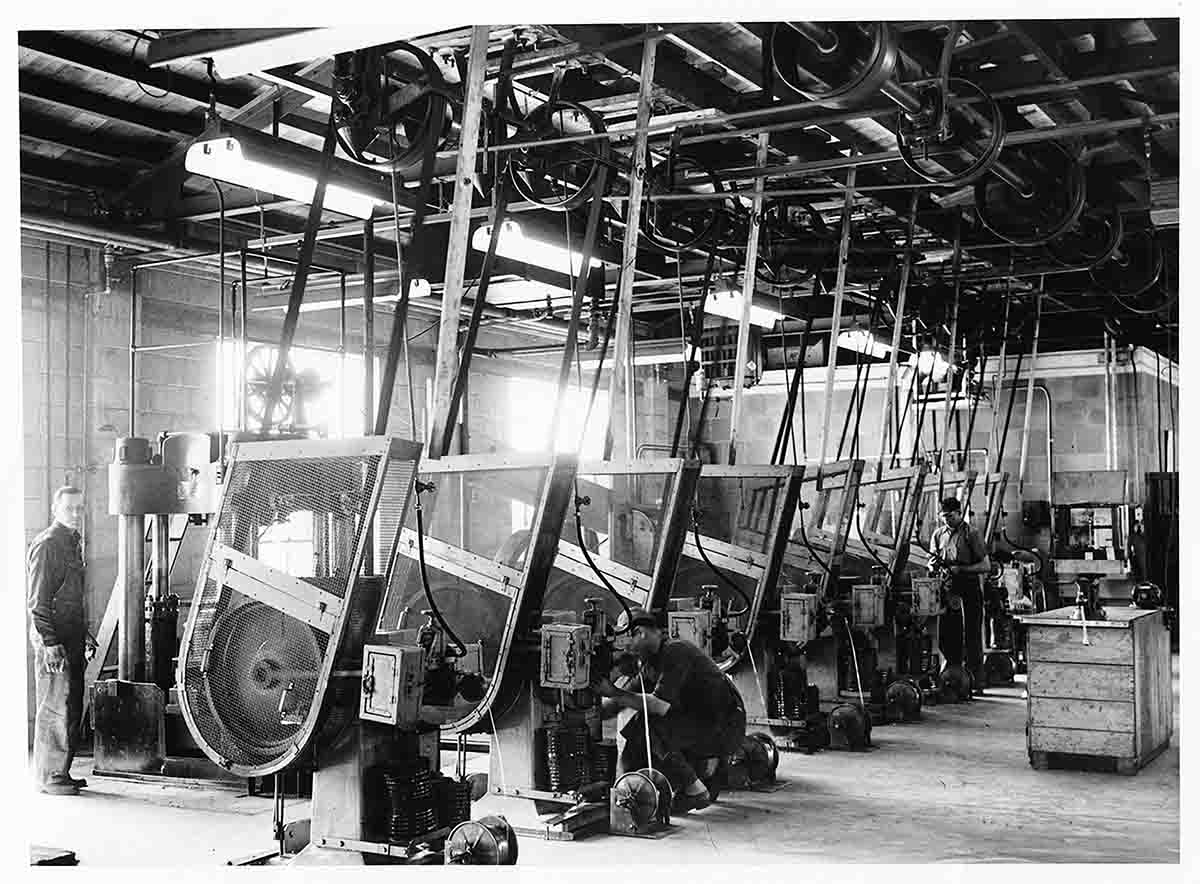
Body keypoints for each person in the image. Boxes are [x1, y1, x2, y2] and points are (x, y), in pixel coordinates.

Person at [593, 607, 746, 813]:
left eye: (626, 640)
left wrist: (612, 691)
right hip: (707, 726)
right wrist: (588, 713)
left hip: (725, 729)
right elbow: (622, 700)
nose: (625, 648)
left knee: (647, 722)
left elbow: (658, 705)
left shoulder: (675, 651)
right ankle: (631, 794)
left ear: (640, 633)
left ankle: (694, 789)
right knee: (640, 734)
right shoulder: (651, 663)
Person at [28, 486, 96, 796]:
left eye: (80, 508)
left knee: (70, 703)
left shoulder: (72, 543)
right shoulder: (48, 545)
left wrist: (86, 635)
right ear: (56, 509)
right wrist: (50, 642)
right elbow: (38, 602)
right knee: (55, 705)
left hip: (72, 635)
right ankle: (50, 776)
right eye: (70, 508)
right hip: (54, 639)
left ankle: (61, 771)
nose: (76, 513)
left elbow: (72, 598)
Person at [930, 497, 991, 694]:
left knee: (971, 635)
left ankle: (975, 682)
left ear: (959, 512)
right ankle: (953, 680)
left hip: (969, 589)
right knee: (948, 636)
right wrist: (932, 566)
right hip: (947, 590)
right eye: (943, 516)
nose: (947, 520)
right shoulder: (938, 534)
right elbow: (931, 559)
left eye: (950, 516)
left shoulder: (971, 534)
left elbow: (985, 566)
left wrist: (962, 569)